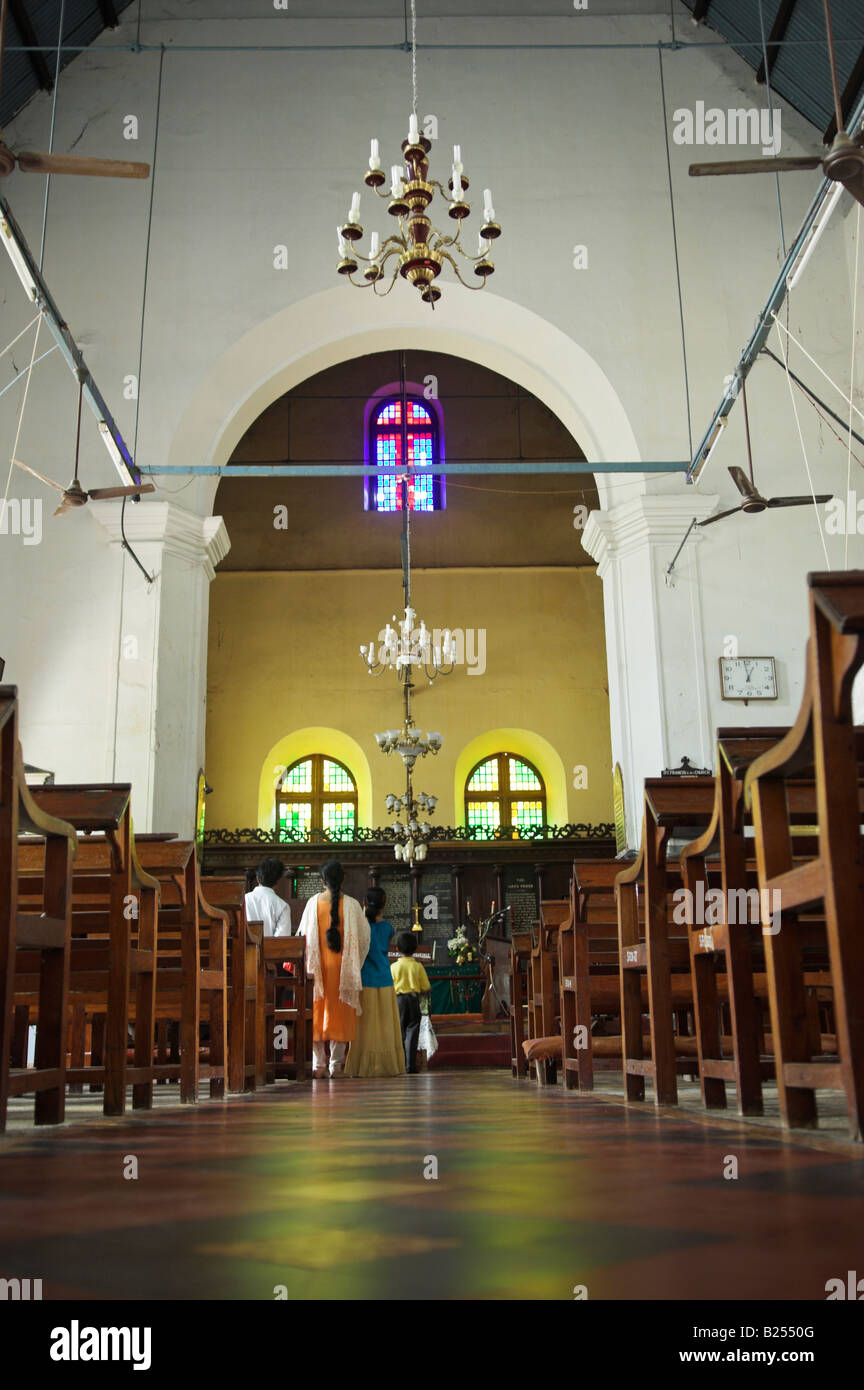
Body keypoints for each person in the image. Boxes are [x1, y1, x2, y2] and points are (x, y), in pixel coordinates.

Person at [297, 860, 370, 1079]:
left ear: (322, 881)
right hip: (342, 969)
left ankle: (318, 1064)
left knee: (317, 1013)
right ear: (343, 880)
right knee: (341, 1013)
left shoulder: (312, 903)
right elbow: (365, 938)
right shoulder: (353, 905)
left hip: (318, 968)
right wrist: (356, 960)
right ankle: (335, 1066)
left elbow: (301, 935)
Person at [344, 887, 404, 1078]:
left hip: (365, 980)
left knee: (365, 1027)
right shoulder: (388, 928)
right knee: (386, 1025)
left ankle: (363, 1066)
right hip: (385, 979)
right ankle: (389, 1065)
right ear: (384, 905)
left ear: (364, 903)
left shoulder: (361, 928)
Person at [391, 931, 431, 1074]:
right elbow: (426, 987)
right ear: (415, 949)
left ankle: (399, 1065)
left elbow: (390, 987)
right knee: (412, 1033)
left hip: (398, 1001)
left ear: (397, 948)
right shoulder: (418, 966)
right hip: (413, 1000)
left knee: (399, 1033)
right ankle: (410, 1066)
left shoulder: (394, 967)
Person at [244, 857, 292, 937]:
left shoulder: (243, 900)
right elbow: (282, 939)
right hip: (271, 949)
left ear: (257, 878)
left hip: (245, 949)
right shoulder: (283, 906)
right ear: (278, 881)